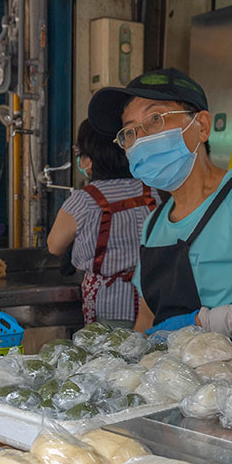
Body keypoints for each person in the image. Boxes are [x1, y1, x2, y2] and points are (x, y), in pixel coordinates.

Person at [88, 68, 232, 371]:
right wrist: (132, 366)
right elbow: (147, 319)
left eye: (154, 119)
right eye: (130, 131)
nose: (140, 139)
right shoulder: (154, 223)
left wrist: (203, 323)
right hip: (173, 387)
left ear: (202, 126)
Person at [47, 120, 156, 326]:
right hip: (153, 300)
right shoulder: (155, 190)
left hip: (109, 303)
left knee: (110, 356)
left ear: (91, 157)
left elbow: (54, 246)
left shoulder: (85, 199)